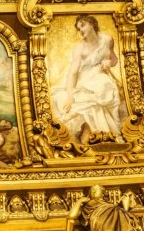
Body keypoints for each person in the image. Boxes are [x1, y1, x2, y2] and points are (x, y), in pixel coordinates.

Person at [51, 15, 123, 143]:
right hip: (83, 79)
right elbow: (72, 73)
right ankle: (71, 118)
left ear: (91, 24)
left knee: (103, 83)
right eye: (78, 29)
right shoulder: (80, 48)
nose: (80, 30)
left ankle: (71, 118)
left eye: (82, 25)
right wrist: (70, 95)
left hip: (100, 75)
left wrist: (108, 62)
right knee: (100, 86)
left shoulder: (107, 39)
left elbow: (114, 60)